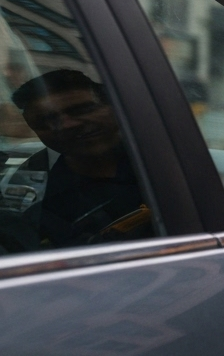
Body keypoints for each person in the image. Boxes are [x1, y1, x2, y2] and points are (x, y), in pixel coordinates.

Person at [1, 69, 151, 252]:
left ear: (114, 108)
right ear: (36, 131)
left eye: (82, 110)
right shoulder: (38, 201)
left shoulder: (167, 162)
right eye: (47, 120)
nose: (67, 125)